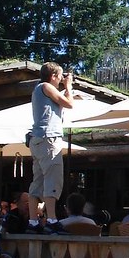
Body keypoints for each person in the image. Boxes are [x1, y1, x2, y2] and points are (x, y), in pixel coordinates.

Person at [28, 62, 74, 226]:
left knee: (38, 182)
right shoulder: (46, 86)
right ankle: (52, 219)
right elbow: (69, 104)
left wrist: (66, 92)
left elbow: (61, 102)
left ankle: (33, 221)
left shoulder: (39, 90)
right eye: (60, 76)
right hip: (49, 139)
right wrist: (68, 87)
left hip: (37, 139)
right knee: (52, 180)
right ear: (53, 76)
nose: (62, 79)